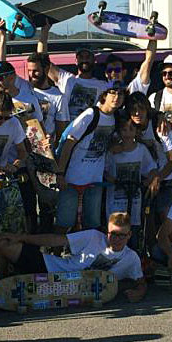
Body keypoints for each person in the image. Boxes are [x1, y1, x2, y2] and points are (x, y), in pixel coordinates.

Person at [0, 212, 147, 302]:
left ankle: (11, 278)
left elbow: (141, 282)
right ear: (107, 232)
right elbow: (54, 240)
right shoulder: (93, 236)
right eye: (113, 234)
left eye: (122, 235)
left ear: (129, 235)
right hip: (52, 270)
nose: (117, 239)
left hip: (75, 289)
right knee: (0, 243)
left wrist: (139, 292)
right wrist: (20, 238)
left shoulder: (131, 258)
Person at [54, 86, 124, 232]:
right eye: (112, 93)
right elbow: (69, 143)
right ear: (104, 95)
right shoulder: (91, 114)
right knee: (64, 223)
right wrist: (60, 173)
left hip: (95, 180)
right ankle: (56, 253)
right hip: (71, 179)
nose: (116, 97)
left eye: (120, 94)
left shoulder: (116, 118)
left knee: (92, 225)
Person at [47, 37, 156, 121]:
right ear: (105, 74)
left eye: (117, 70)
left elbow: (148, 62)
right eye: (110, 71)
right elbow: (44, 63)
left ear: (124, 72)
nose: (113, 73)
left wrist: (153, 36)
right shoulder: (104, 88)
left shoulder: (131, 89)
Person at [104, 114, 159, 253]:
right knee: (115, 232)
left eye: (131, 129)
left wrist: (148, 180)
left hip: (135, 201)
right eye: (124, 130)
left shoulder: (141, 149)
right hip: (116, 201)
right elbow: (103, 170)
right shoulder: (112, 152)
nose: (127, 133)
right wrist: (115, 181)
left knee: (133, 234)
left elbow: (151, 168)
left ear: (136, 132)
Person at [125, 92, 172, 224]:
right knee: (146, 219)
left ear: (147, 109)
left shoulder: (159, 126)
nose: (137, 114)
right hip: (144, 179)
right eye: (133, 110)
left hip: (167, 179)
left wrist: (157, 178)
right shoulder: (129, 127)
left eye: (141, 109)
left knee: (166, 218)